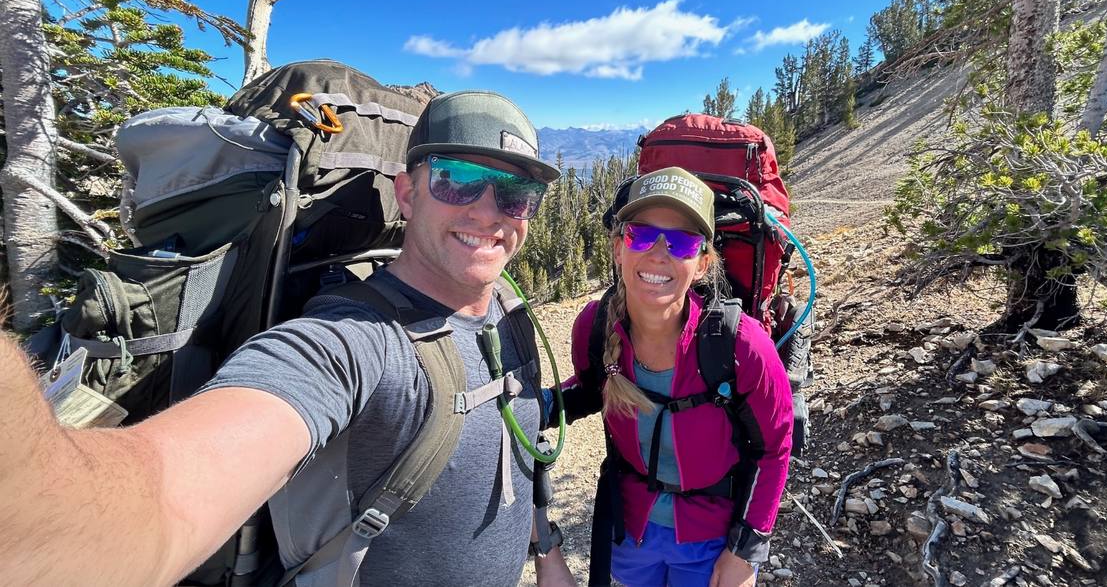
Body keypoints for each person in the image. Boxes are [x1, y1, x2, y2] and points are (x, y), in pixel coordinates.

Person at [0, 90, 575, 587]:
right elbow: (163, 497)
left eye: (513, 193)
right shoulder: (347, 342)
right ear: (406, 194)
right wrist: (43, 501)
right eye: (458, 181)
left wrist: (546, 549)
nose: (488, 212)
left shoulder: (507, 309)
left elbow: (516, 452)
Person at [557, 167, 793, 587]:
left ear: (702, 263)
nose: (659, 254)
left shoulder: (740, 345)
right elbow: (592, 388)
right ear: (618, 249)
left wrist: (745, 552)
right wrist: (534, 405)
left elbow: (774, 448)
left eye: (682, 241)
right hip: (631, 531)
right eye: (641, 235)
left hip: (712, 539)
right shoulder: (594, 327)